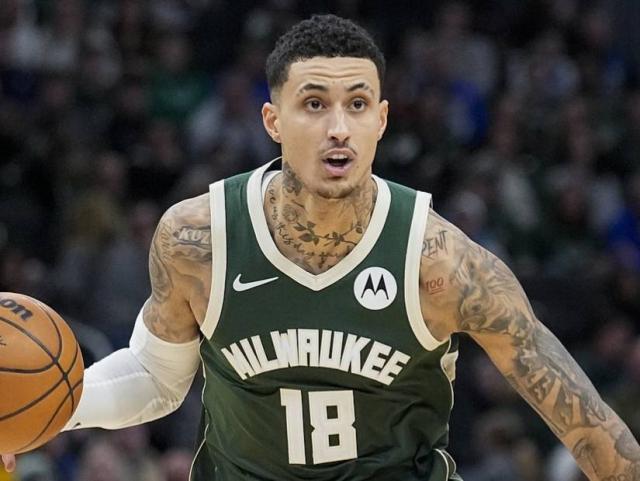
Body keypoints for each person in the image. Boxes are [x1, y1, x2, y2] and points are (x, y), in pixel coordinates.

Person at [3, 14, 640, 481]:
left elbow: (585, 424)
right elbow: (155, 379)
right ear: (272, 121)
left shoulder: (441, 263)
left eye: (357, 104)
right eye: (314, 103)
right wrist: (39, 410)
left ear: (381, 121)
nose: (339, 127)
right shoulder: (198, 239)